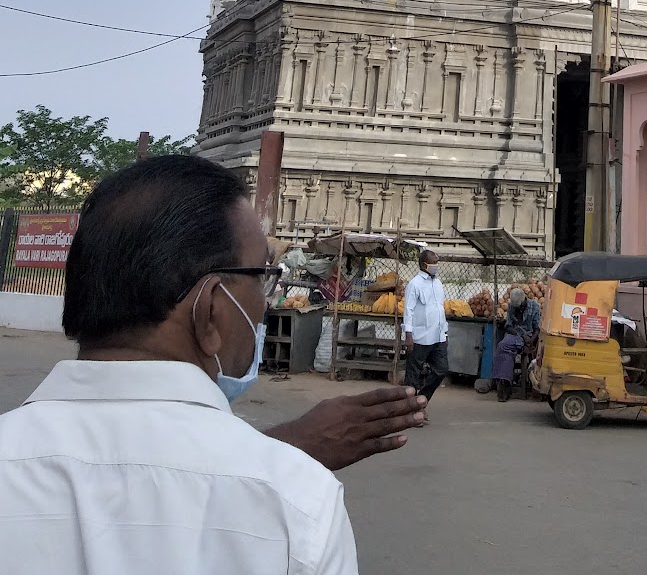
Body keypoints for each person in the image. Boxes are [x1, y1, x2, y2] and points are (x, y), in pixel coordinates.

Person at [0, 154, 423, 572]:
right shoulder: (297, 501)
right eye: (262, 277)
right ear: (210, 309)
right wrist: (270, 462)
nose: (266, 303)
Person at [404, 248, 449, 403]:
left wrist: (445, 332)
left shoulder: (437, 283)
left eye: (437, 262)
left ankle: (422, 398)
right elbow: (408, 309)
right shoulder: (414, 284)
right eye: (433, 263)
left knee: (441, 370)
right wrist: (408, 334)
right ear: (424, 265)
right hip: (420, 336)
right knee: (413, 374)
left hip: (438, 336)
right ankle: (409, 407)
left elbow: (440, 308)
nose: (436, 265)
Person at [492, 287, 540, 401]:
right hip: (515, 335)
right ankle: (504, 382)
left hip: (528, 336)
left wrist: (531, 341)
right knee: (503, 347)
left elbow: (537, 328)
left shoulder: (534, 306)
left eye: (520, 306)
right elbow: (508, 326)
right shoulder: (512, 307)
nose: (518, 308)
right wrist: (520, 335)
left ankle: (504, 383)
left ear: (524, 300)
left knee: (504, 347)